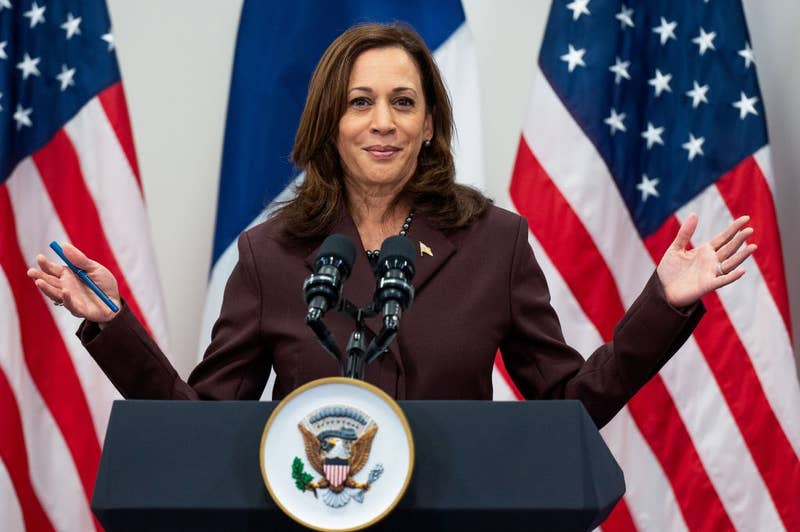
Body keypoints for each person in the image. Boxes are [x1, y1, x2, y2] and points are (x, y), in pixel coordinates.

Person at [28, 23, 755, 428]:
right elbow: (204, 425)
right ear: (329, 124)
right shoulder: (269, 253)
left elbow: (571, 406)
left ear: (430, 123)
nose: (383, 122)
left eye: (404, 102)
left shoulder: (495, 242)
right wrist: (114, 323)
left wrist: (665, 303)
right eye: (359, 102)